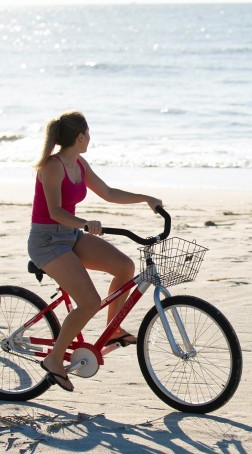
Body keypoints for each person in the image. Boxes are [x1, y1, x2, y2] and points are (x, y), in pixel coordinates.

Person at [27, 111, 162, 392]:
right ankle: (53, 361)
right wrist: (85, 223)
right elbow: (55, 212)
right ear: (80, 136)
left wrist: (145, 199)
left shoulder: (78, 162)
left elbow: (109, 192)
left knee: (125, 267)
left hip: (70, 235)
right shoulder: (52, 167)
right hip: (47, 241)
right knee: (88, 302)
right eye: (88, 133)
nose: (90, 138)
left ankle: (112, 328)